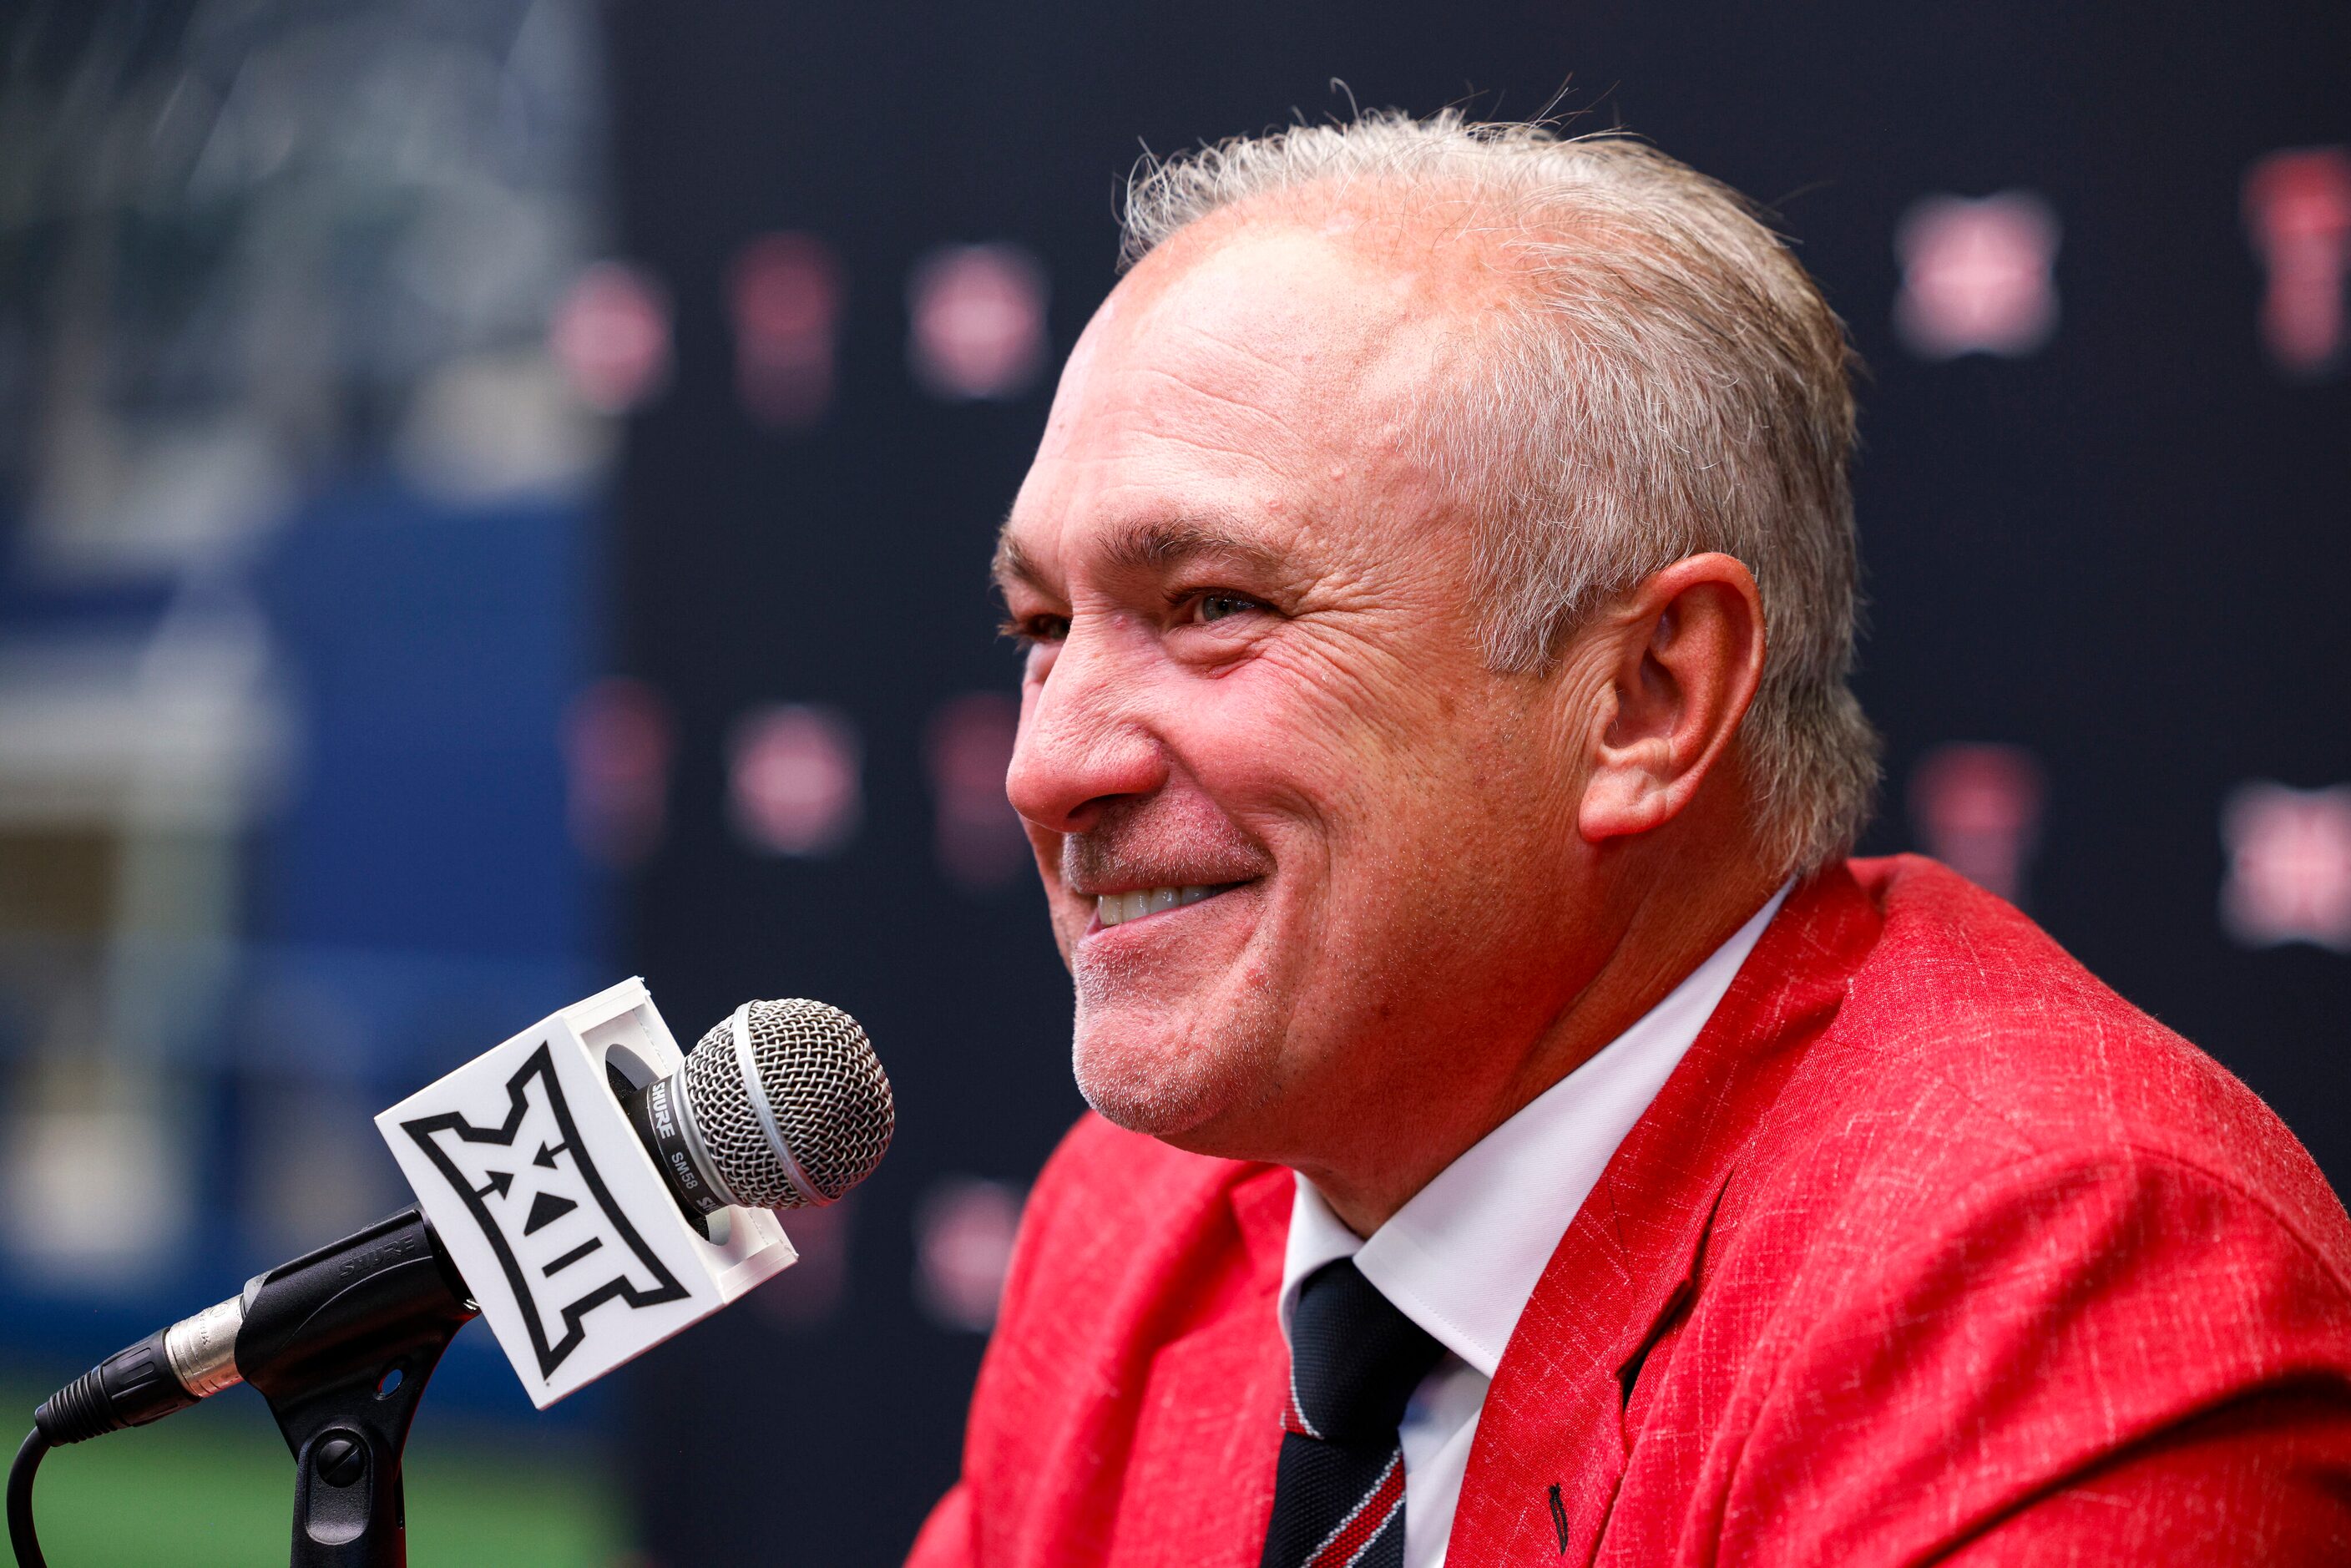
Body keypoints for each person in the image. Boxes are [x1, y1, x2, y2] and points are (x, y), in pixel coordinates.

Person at [909, 111, 2351, 1567]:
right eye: (1041, 626)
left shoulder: (2056, 1279)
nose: (1047, 765)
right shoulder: (1131, 1229)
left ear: (1647, 699)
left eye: (1213, 606)